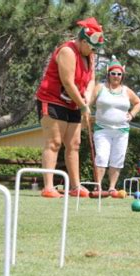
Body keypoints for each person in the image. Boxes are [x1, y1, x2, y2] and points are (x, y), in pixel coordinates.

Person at [35, 17, 104, 198]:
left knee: (74, 144)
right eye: (90, 46)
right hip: (52, 100)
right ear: (82, 41)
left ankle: (75, 187)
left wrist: (87, 100)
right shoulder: (67, 51)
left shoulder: (89, 55)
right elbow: (68, 82)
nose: (93, 50)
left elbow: (91, 80)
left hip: (73, 102)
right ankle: (48, 187)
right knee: (54, 142)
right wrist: (83, 106)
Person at [89, 56, 140, 197]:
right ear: (108, 74)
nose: (116, 76)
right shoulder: (100, 88)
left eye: (119, 74)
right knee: (101, 156)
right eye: (113, 73)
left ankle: (112, 187)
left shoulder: (126, 90)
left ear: (122, 76)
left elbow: (138, 103)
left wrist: (131, 115)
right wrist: (86, 113)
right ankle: (98, 186)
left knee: (117, 158)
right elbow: (88, 102)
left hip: (122, 130)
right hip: (102, 129)